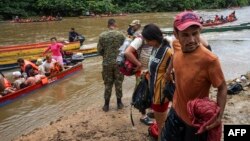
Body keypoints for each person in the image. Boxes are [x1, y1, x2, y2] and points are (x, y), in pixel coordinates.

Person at [161, 11, 227, 141]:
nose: (191, 40)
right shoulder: (176, 45)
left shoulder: (209, 60)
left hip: (194, 121)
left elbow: (223, 87)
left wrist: (219, 117)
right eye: (185, 35)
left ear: (200, 32)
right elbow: (175, 56)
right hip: (175, 110)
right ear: (176, 35)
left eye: (195, 34)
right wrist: (168, 72)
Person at [141, 24, 172, 140]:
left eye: (148, 40)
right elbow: (154, 67)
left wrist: (167, 77)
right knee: (160, 123)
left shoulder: (168, 52)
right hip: (153, 90)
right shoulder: (155, 48)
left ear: (154, 38)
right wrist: (147, 72)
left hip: (161, 93)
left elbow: (174, 72)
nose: (146, 42)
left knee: (161, 126)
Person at [125, 22, 154, 125]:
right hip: (141, 72)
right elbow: (127, 52)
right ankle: (143, 116)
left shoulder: (152, 39)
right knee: (142, 93)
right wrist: (138, 64)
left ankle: (151, 111)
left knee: (151, 91)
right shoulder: (139, 39)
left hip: (150, 70)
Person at [97, 18, 126, 112]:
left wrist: (106, 56)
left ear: (108, 25)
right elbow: (125, 49)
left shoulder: (102, 36)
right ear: (115, 24)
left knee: (108, 83)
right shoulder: (121, 35)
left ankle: (106, 105)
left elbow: (99, 51)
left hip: (107, 63)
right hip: (119, 63)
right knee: (118, 82)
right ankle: (119, 104)